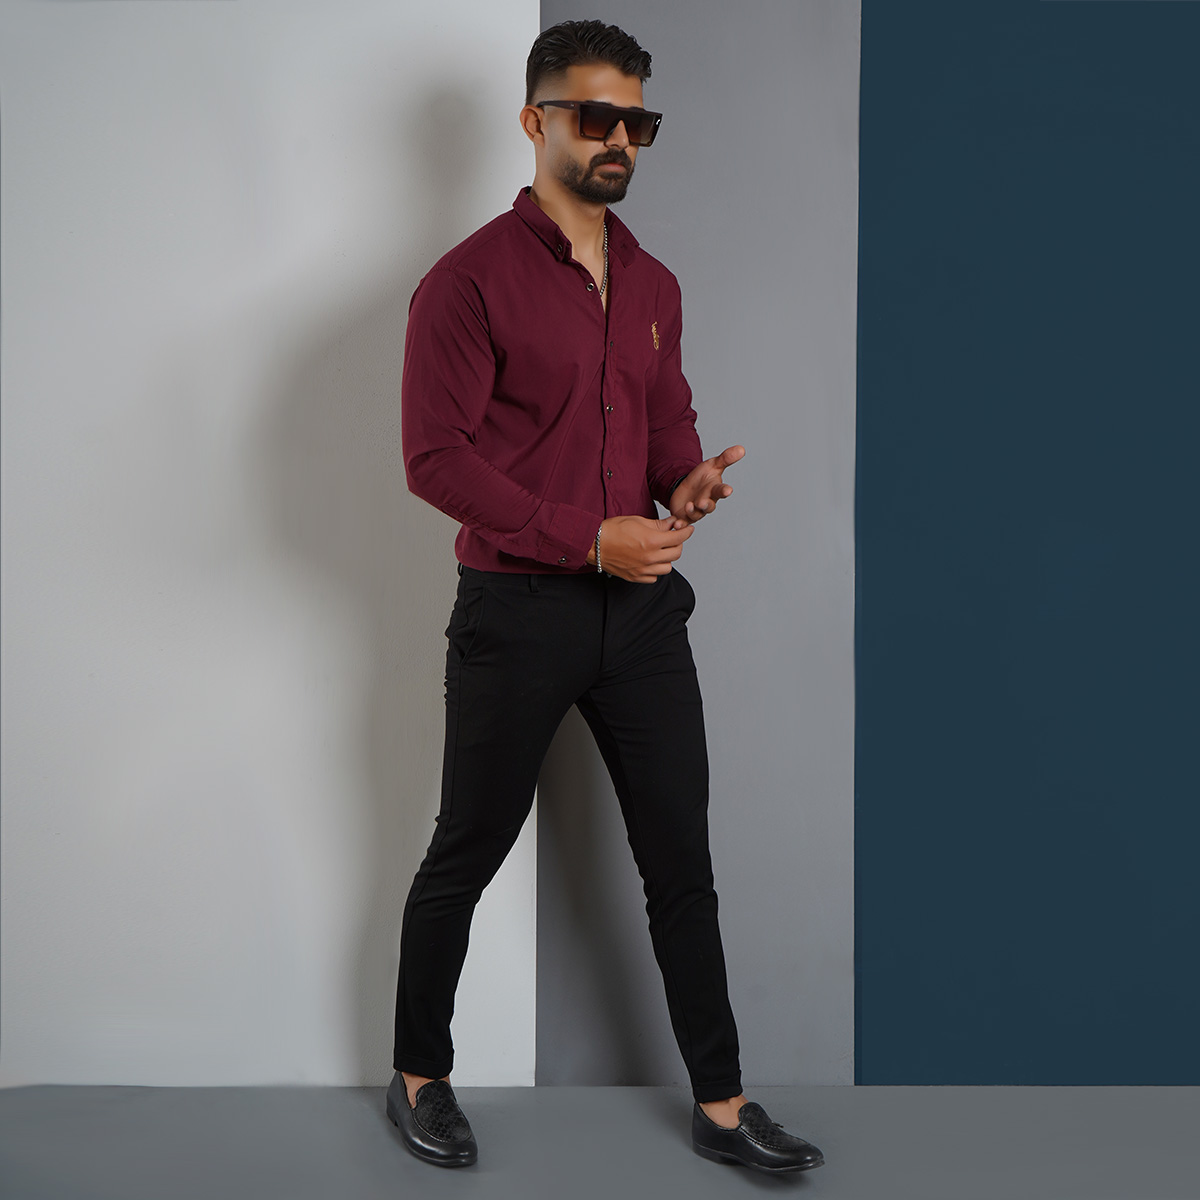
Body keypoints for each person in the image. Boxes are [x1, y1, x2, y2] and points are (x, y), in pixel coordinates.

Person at [385, 19, 825, 1176]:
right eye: (596, 116)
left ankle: (722, 1106)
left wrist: (685, 483)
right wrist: (586, 537)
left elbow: (665, 423)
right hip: (516, 613)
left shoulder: (655, 283)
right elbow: (434, 460)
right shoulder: (466, 283)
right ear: (536, 123)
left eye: (638, 121)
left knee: (682, 864)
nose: (619, 138)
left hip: (640, 619)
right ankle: (419, 1075)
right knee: (466, 850)